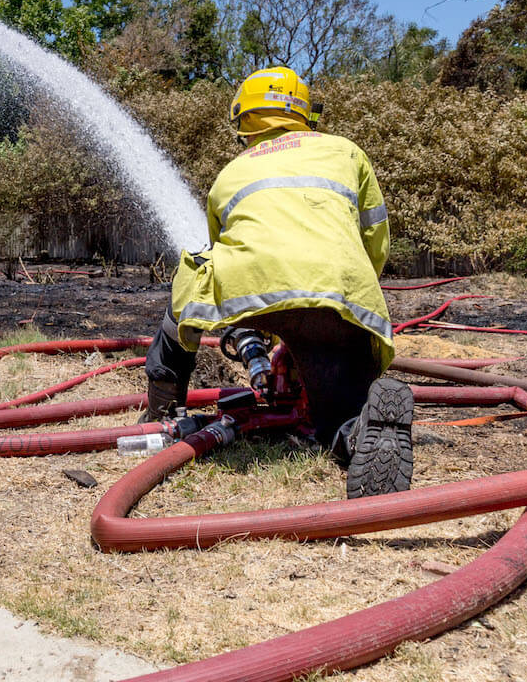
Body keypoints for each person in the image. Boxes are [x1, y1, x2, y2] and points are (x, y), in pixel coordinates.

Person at [143, 66, 414, 498]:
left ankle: (164, 406)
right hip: (341, 291)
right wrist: (344, 298)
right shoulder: (346, 152)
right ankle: (356, 431)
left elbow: (227, 252)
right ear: (306, 112)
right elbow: (374, 242)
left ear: (244, 119)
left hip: (251, 289)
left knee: (191, 279)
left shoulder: (232, 172)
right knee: (337, 415)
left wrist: (260, 322)